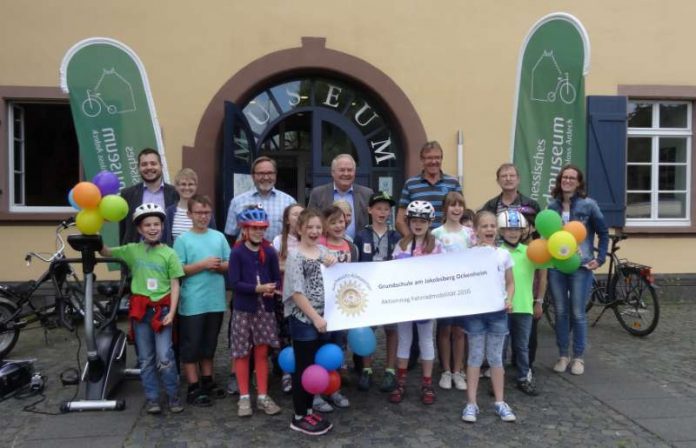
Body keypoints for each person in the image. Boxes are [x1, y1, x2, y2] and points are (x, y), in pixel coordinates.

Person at [100, 203, 184, 414]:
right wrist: (97, 229)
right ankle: (153, 398)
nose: (153, 228)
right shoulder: (132, 250)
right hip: (140, 312)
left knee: (165, 356)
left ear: (162, 226)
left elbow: (175, 284)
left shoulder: (170, 254)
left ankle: (173, 395)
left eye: (156, 224)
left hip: (162, 312)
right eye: (147, 225)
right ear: (139, 229)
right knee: (146, 359)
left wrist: (172, 313)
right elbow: (105, 252)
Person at [547, 164, 609, 376]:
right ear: (560, 180)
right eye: (565, 177)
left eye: (572, 178)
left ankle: (578, 357)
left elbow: (603, 232)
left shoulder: (588, 205)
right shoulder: (551, 206)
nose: (568, 181)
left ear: (579, 182)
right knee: (561, 312)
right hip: (556, 266)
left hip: (581, 266)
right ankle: (563, 355)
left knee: (577, 313)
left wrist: (599, 258)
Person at [283, 208, 337, 435]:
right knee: (303, 368)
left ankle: (308, 409)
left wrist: (333, 262)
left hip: (324, 319)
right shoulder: (295, 255)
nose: (314, 231)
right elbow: (296, 292)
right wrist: (314, 318)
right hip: (305, 320)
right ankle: (298, 416)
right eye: (310, 227)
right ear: (300, 229)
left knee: (316, 367)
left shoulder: (323, 250)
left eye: (318, 227)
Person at [173, 195, 230, 407]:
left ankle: (207, 380)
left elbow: (229, 263)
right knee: (191, 345)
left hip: (215, 300)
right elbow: (178, 270)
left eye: (206, 213)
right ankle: (193, 386)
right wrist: (203, 264)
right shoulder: (182, 240)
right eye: (198, 213)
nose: (203, 217)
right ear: (189, 215)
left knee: (209, 344)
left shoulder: (218, 237)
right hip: (193, 302)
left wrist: (220, 266)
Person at [460, 210, 516, 423]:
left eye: (493, 225)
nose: (489, 229)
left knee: (495, 358)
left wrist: (509, 299)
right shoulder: (469, 255)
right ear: (476, 231)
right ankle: (471, 403)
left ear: (497, 229)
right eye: (484, 226)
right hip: (476, 314)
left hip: (498, 313)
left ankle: (500, 402)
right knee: (474, 357)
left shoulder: (503, 255)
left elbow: (510, 282)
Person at [228, 205, 283, 418]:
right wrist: (257, 289)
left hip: (264, 310)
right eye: (254, 228)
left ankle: (262, 395)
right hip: (244, 309)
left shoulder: (269, 251)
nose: (259, 232)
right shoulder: (238, 252)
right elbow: (234, 283)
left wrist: (273, 289)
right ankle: (244, 397)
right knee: (242, 353)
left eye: (262, 228)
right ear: (245, 230)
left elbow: (276, 278)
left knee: (261, 353)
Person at [389, 200, 444, 405]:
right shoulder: (401, 244)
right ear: (408, 222)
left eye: (423, 220)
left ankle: (427, 382)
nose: (418, 224)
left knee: (426, 340)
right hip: (405, 302)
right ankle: (401, 381)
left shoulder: (436, 245)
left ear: (430, 222)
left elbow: (443, 271)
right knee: (404, 340)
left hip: (425, 302)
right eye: (414, 220)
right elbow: (394, 271)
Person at [353, 191, 402, 392]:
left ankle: (390, 369)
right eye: (379, 208)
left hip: (389, 291)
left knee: (391, 330)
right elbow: (354, 264)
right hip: (367, 292)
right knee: (367, 330)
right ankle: (367, 369)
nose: (383, 212)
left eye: (386, 209)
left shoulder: (395, 236)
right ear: (370, 210)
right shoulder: (361, 235)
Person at [311, 205, 355, 412]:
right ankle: (316, 391)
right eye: (333, 222)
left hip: (342, 307)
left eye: (341, 221)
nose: (339, 225)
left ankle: (333, 388)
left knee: (337, 349)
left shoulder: (350, 246)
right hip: (321, 308)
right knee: (320, 347)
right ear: (325, 226)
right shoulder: (317, 246)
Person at [497, 209, 545, 396]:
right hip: (502, 307)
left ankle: (524, 377)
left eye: (517, 228)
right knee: (501, 345)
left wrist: (538, 301)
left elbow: (544, 274)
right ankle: (497, 379)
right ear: (501, 231)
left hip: (524, 306)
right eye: (508, 228)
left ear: (524, 230)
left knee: (522, 346)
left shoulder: (531, 251)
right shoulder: (496, 252)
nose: (513, 232)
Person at [432, 192, 474, 392]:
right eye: (452, 205)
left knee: (459, 331)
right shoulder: (436, 234)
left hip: (463, 290)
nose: (456, 209)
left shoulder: (469, 233)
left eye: (460, 205)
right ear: (445, 209)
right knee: (444, 330)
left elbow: (477, 257)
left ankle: (458, 371)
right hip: (443, 290)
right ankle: (446, 370)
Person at [272, 204, 305, 394]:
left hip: (304, 297)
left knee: (300, 335)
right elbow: (275, 266)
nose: (298, 217)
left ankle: (300, 371)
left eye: (302, 214)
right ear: (286, 219)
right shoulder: (279, 240)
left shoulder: (308, 240)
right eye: (295, 214)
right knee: (284, 336)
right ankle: (286, 373)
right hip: (283, 296)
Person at [224, 156, 296, 244]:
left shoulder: (289, 202)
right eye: (261, 173)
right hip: (248, 255)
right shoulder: (237, 202)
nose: (266, 177)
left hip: (279, 255)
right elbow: (231, 235)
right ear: (253, 176)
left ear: (275, 175)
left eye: (270, 173)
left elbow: (295, 233)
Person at [396, 141, 462, 236]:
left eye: (437, 158)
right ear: (422, 160)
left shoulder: (453, 183)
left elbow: (462, 215)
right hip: (420, 243)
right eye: (429, 158)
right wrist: (412, 241)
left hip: (447, 243)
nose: (434, 161)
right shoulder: (410, 184)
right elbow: (400, 220)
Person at [120, 148, 179, 244]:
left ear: (161, 166)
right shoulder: (127, 194)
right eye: (144, 164)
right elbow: (123, 230)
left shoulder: (175, 193)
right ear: (138, 168)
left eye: (153, 163)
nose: (149, 167)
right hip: (136, 255)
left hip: (167, 254)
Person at [308, 154, 373, 240]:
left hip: (359, 248)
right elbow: (309, 220)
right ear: (333, 173)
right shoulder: (318, 193)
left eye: (350, 170)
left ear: (354, 172)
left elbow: (373, 224)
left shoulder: (367, 194)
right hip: (326, 248)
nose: (346, 174)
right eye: (342, 170)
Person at [164, 168, 217, 246]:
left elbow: (213, 237)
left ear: (196, 186)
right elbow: (165, 240)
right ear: (176, 187)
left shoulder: (205, 211)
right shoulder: (169, 212)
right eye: (183, 184)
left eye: (190, 184)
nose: (187, 188)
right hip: (177, 257)